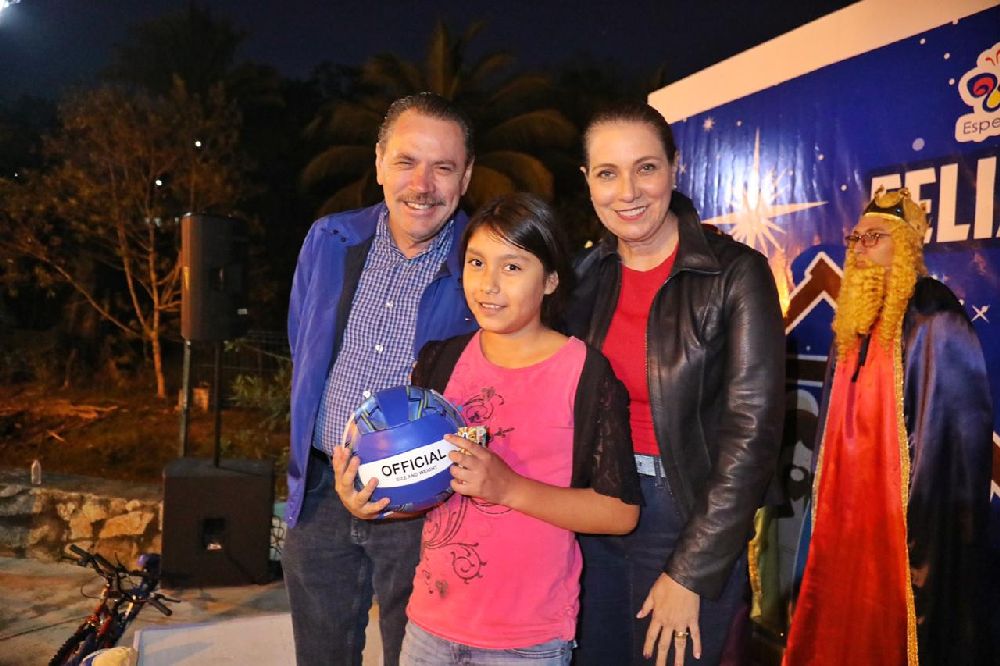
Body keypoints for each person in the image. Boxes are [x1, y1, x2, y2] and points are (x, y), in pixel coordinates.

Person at [333, 192, 642, 665]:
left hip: (526, 639)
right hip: (429, 627)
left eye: (512, 267)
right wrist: (373, 502)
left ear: (551, 280)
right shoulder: (440, 361)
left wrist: (508, 487)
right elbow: (428, 492)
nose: (489, 284)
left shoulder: (585, 374)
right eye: (477, 263)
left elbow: (619, 512)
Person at [568, 101, 785, 666]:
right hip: (593, 509)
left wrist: (692, 569)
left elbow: (753, 433)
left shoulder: (735, 273)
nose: (627, 192)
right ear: (587, 180)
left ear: (673, 167)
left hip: (686, 513)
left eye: (645, 168)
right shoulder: (583, 276)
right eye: (607, 173)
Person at [283, 92, 479, 666]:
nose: (422, 185)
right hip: (322, 494)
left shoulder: (483, 263)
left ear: (466, 177)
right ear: (378, 163)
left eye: (443, 167)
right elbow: (302, 342)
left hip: (429, 512)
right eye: (406, 161)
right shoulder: (329, 240)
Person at [783, 187, 994, 666]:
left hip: (898, 515)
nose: (858, 248)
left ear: (905, 246)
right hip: (845, 507)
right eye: (855, 238)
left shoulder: (934, 315)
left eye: (873, 237)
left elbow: (952, 438)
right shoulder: (854, 320)